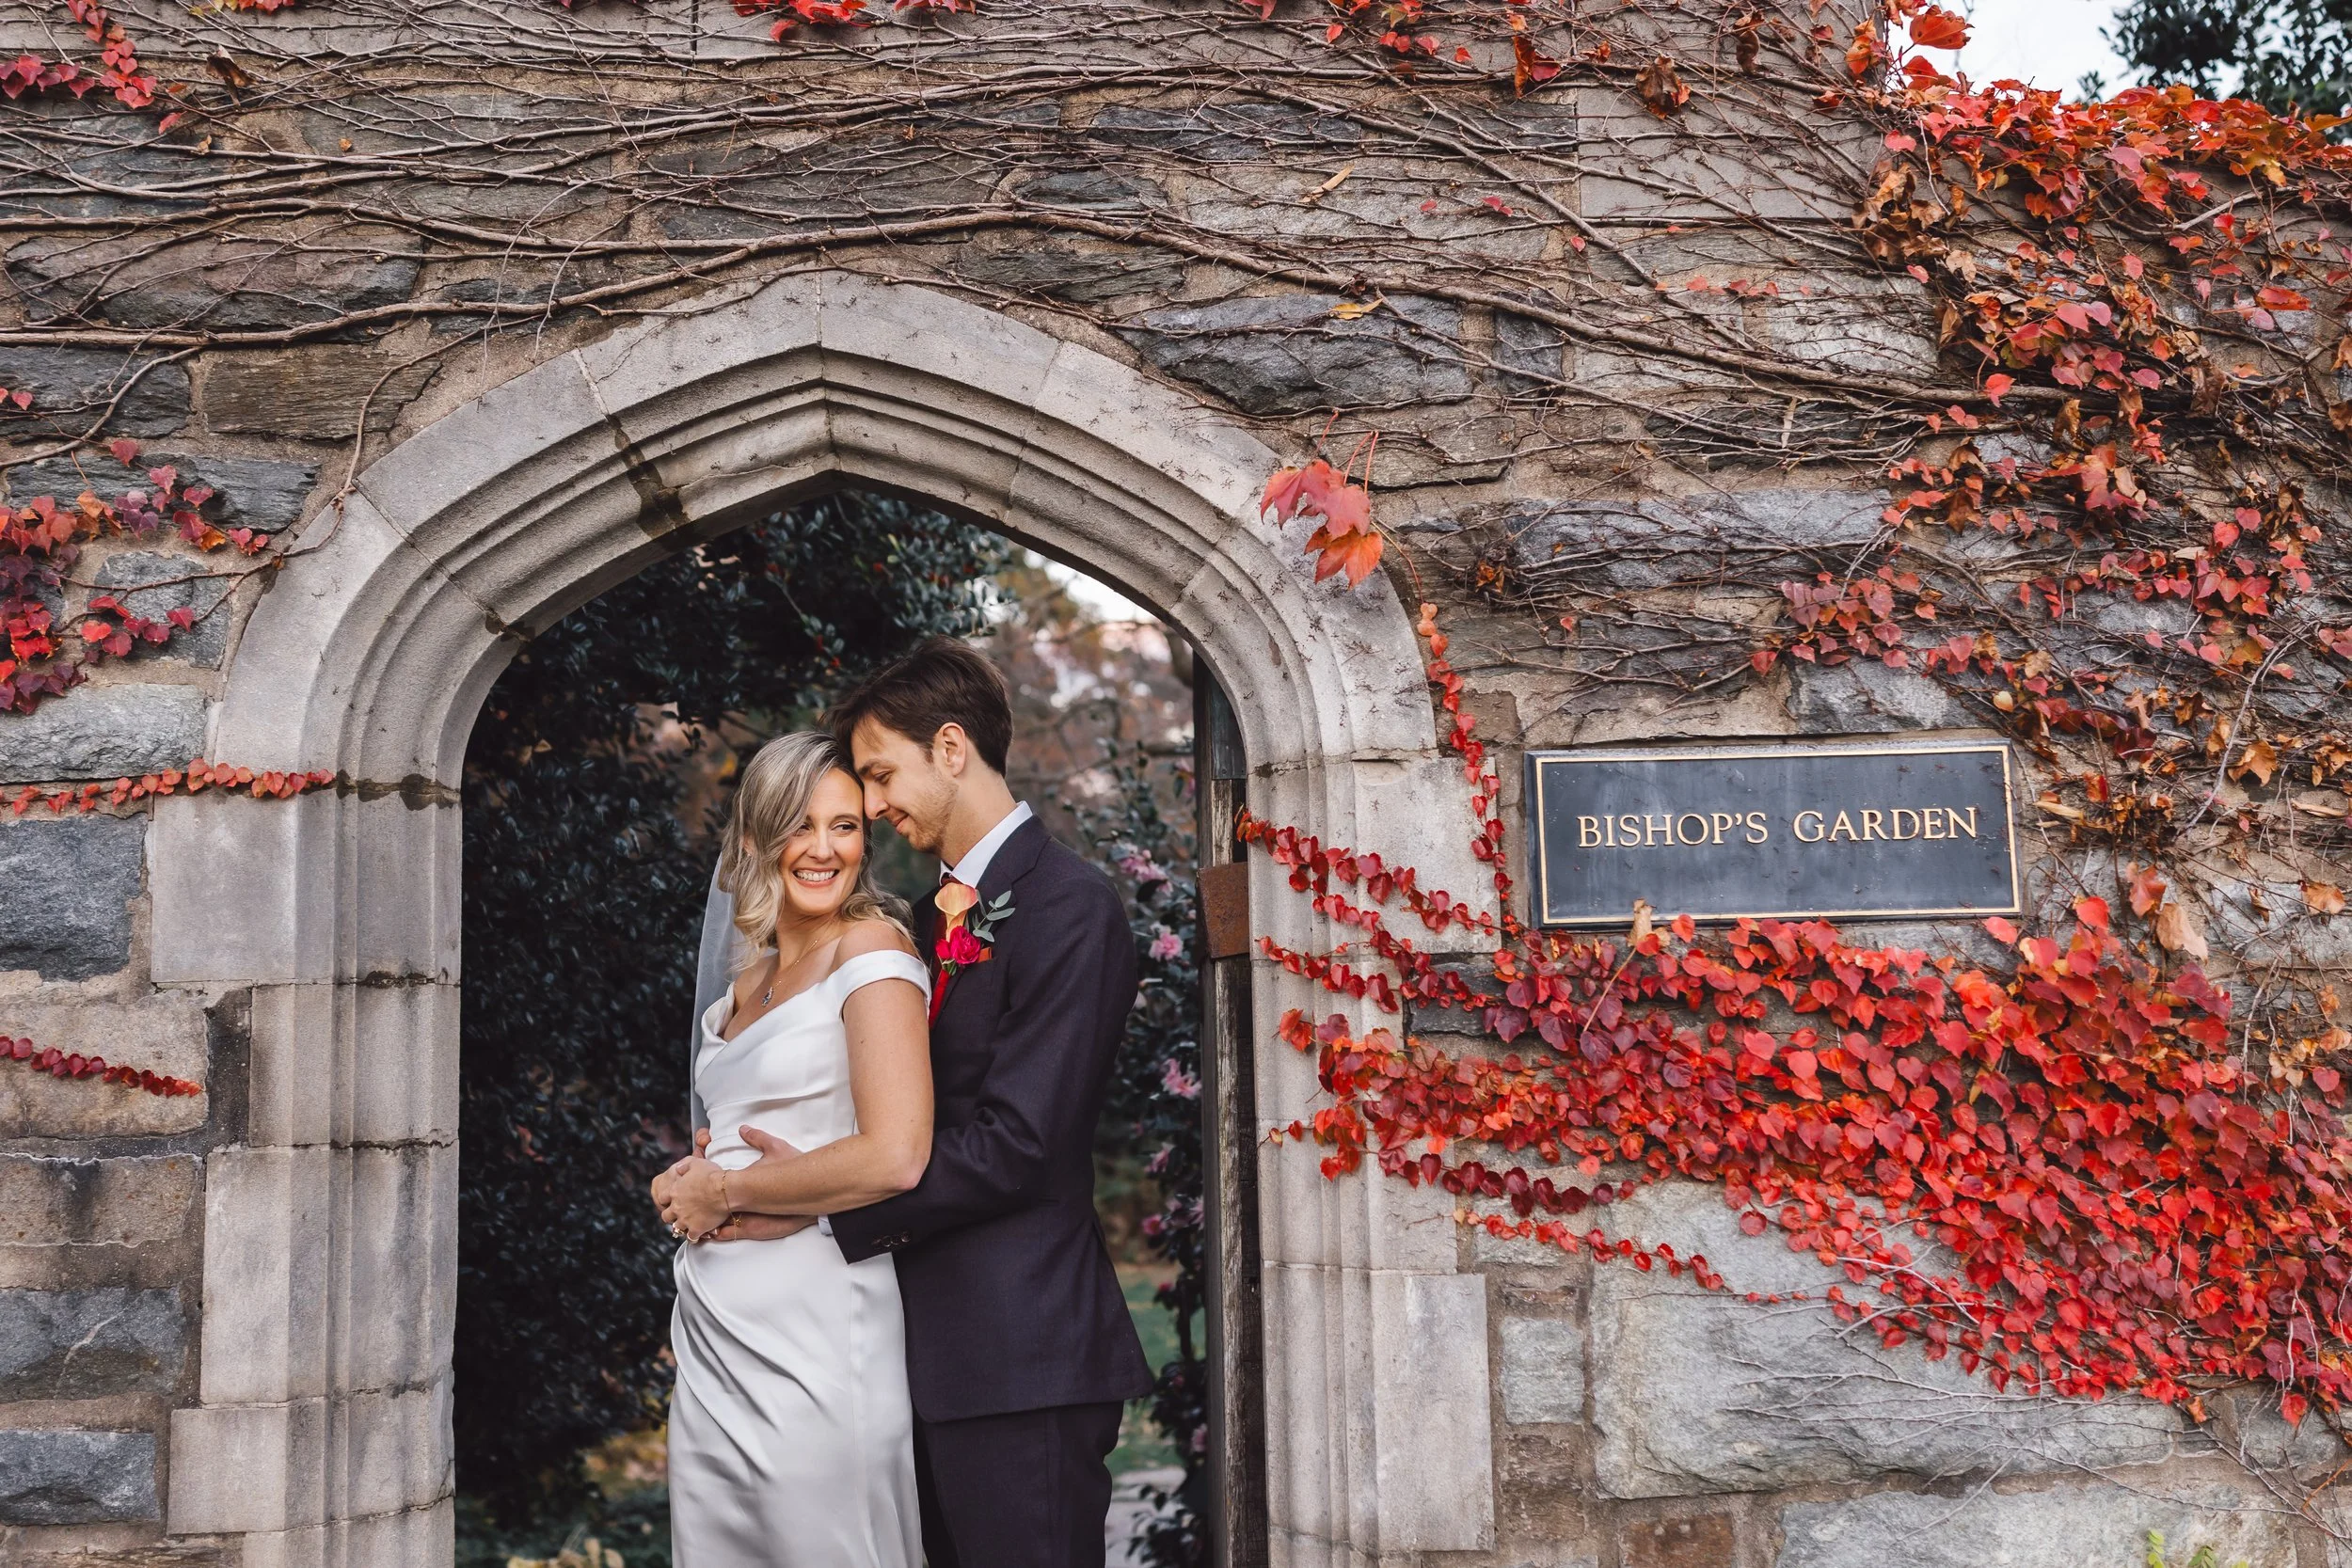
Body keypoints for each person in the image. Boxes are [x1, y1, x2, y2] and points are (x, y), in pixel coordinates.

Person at [667, 635, 1152, 1568]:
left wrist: (794, 1206)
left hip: (1019, 1355)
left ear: (953, 746)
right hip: (899, 1350)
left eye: (882, 774)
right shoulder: (921, 921)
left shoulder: (1069, 907)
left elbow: (1020, 1143)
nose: (875, 805)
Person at [651, 731, 934, 1568]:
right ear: (751, 841)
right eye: (797, 826)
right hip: (715, 1324)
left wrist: (729, 1195)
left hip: (818, 1316)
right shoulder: (746, 982)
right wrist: (688, 1180)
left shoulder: (874, 952)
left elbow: (896, 1154)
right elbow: (735, 1124)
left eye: (845, 826)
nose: (822, 849)